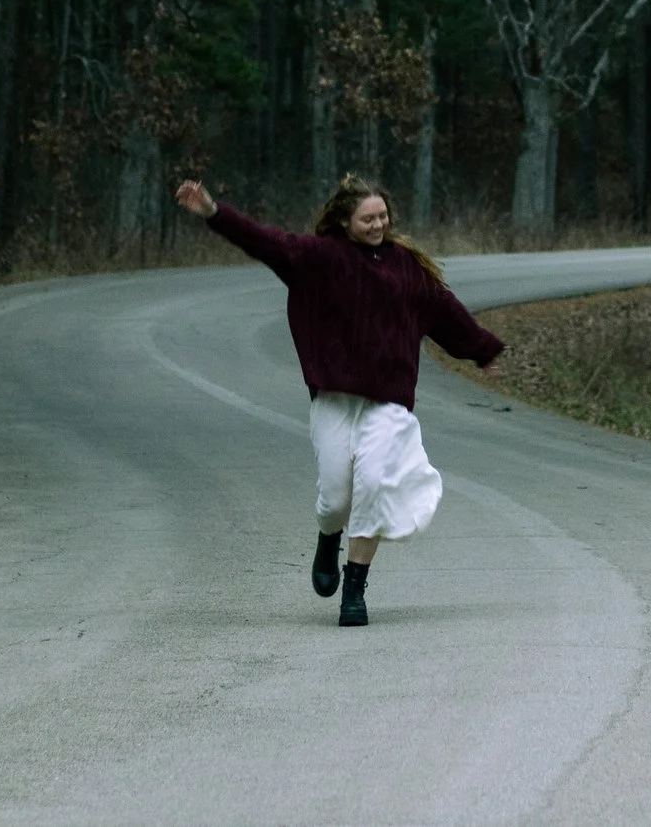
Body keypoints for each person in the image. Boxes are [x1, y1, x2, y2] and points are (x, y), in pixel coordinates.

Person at [173, 173, 504, 627]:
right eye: (367, 218)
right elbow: (262, 241)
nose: (377, 224)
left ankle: (355, 589)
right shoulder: (317, 259)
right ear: (345, 221)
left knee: (372, 483)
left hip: (387, 402)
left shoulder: (405, 266)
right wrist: (213, 212)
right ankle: (328, 537)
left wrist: (483, 349)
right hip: (334, 398)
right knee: (335, 497)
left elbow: (445, 312)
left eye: (383, 216)